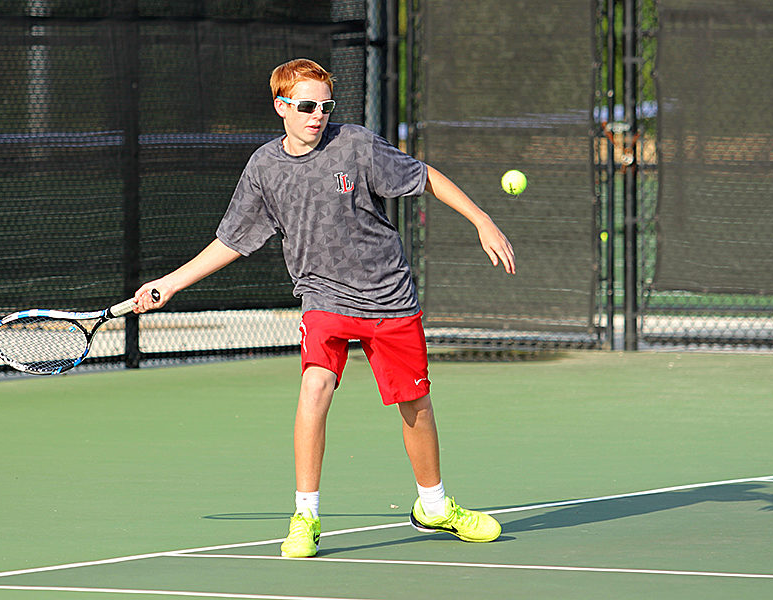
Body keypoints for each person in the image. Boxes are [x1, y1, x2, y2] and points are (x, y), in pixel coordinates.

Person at [133, 58, 515, 558]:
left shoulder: (355, 144)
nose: (317, 115)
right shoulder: (264, 168)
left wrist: (481, 220)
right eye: (307, 106)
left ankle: (434, 506)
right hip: (322, 296)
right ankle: (305, 516)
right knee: (315, 385)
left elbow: (424, 178)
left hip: (388, 293)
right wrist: (171, 283)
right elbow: (231, 240)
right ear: (281, 108)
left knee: (414, 403)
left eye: (325, 106)